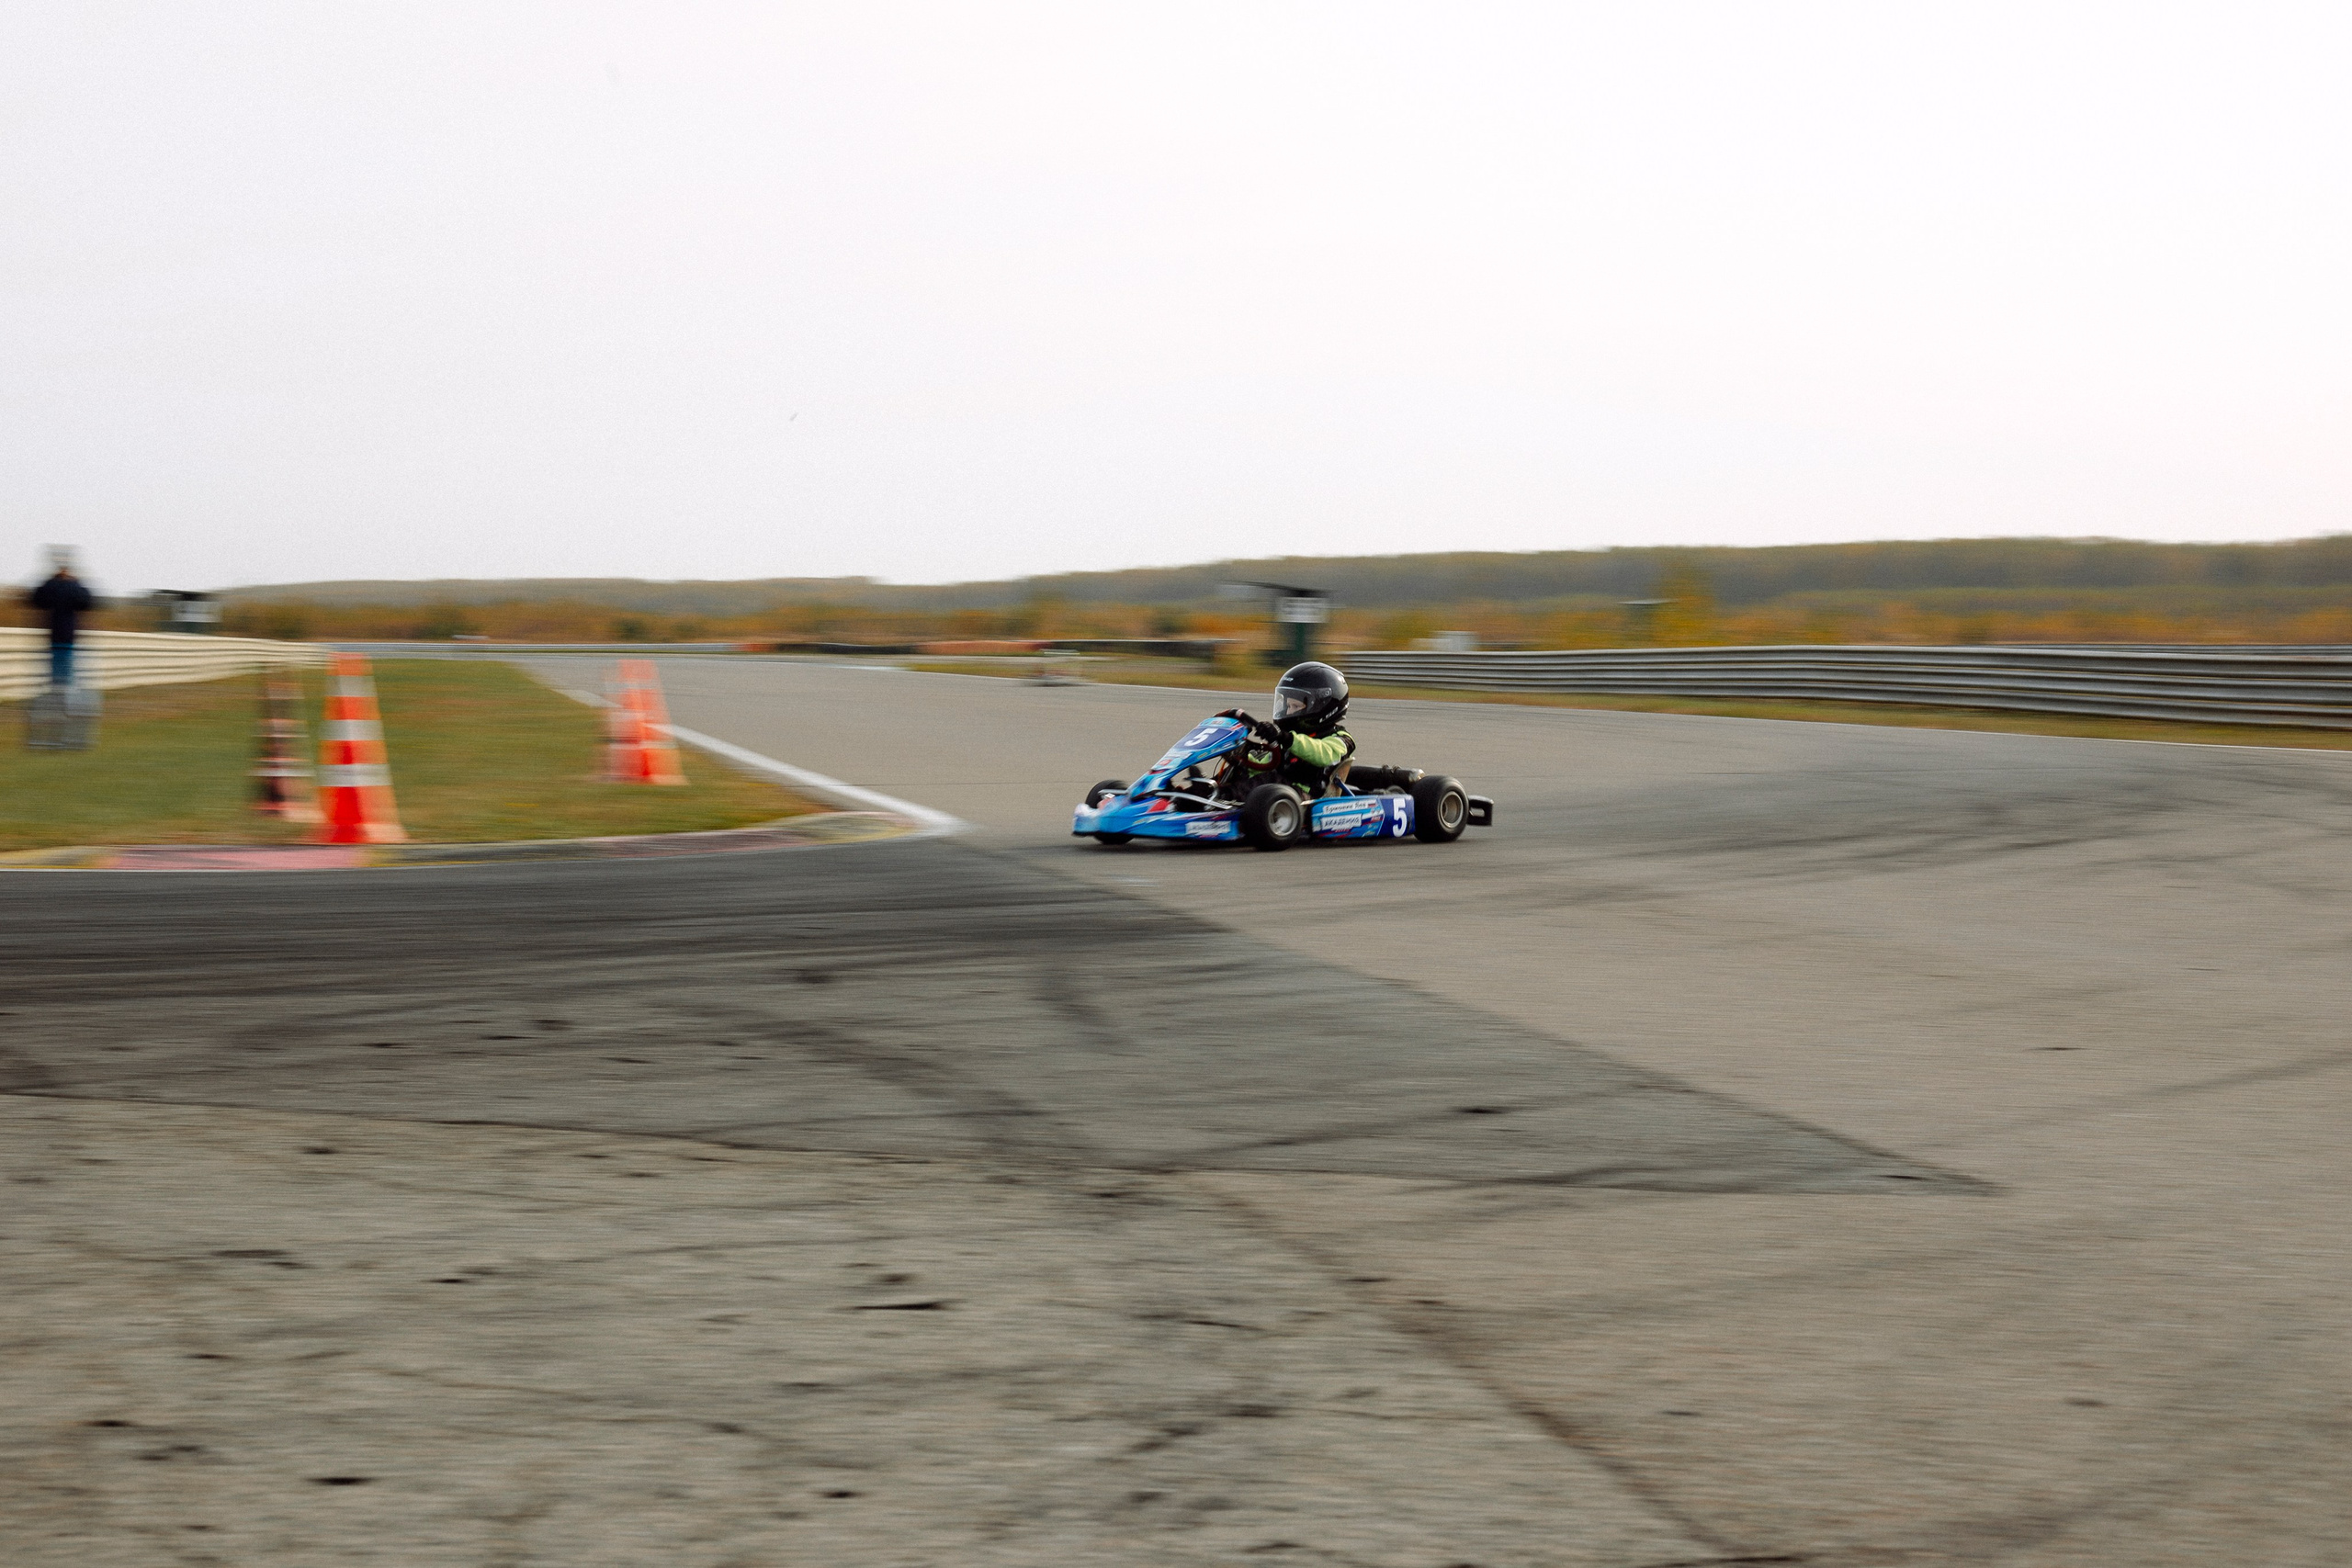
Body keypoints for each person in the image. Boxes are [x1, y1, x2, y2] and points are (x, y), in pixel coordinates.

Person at [1216, 661, 1356, 797]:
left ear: (1323, 707)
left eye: (1295, 707)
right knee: (1241, 770)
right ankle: (1207, 791)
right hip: (1279, 796)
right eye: (1288, 706)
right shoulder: (1295, 738)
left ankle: (1225, 795)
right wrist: (1243, 755)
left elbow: (1323, 754)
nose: (1289, 712)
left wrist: (1286, 738)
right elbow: (1268, 761)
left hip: (1307, 797)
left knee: (1271, 781)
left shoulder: (1342, 739)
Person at [28, 560, 96, 689]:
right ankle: (64, 690)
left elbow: (36, 599)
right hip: (69, 635)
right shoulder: (75, 588)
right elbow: (87, 602)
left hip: (54, 634)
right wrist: (76, 582)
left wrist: (52, 580)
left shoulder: (50, 587)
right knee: (67, 667)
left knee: (55, 666)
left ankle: (56, 689)